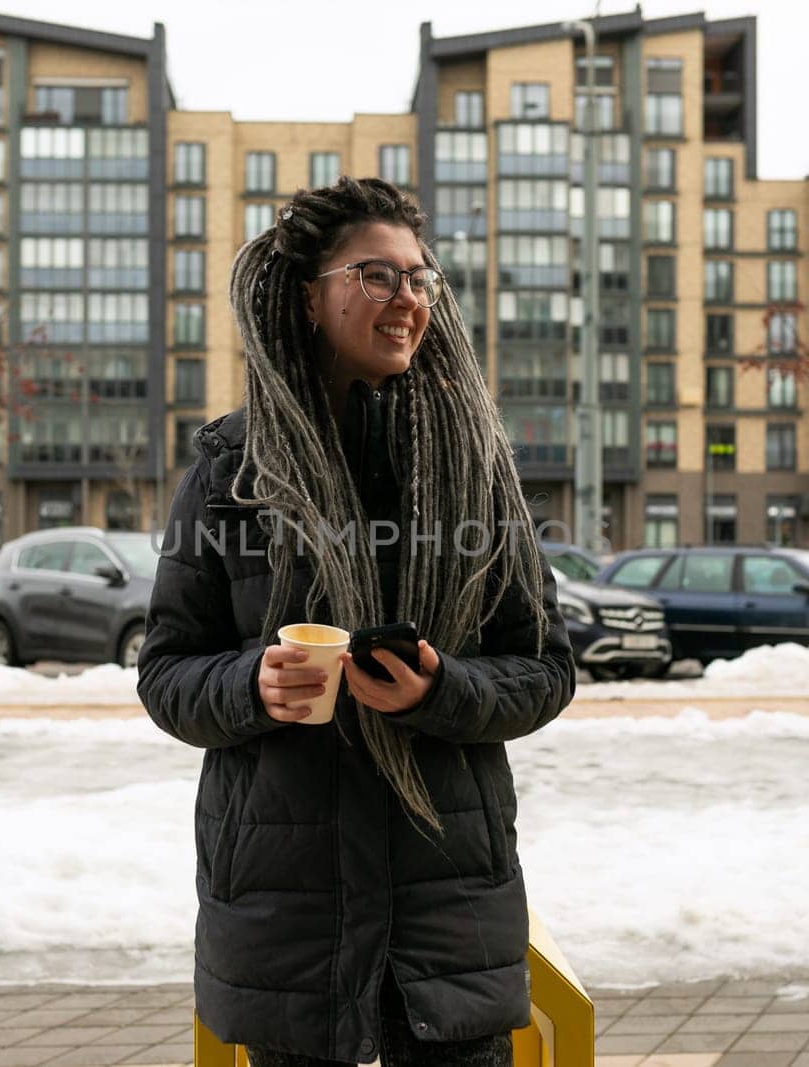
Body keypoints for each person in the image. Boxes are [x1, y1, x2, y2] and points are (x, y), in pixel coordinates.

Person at [137, 177, 576, 1067]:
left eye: (421, 278)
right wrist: (251, 683)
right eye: (376, 274)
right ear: (309, 295)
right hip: (288, 925)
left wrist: (441, 690)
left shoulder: (474, 471)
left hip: (445, 924)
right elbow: (167, 672)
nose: (408, 299)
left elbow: (545, 667)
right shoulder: (232, 469)